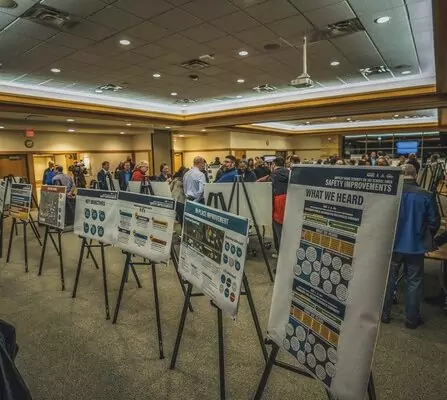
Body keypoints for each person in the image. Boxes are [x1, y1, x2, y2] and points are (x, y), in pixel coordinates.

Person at [382, 164, 439, 329]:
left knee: (388, 280)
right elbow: (434, 222)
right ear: (416, 176)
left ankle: (384, 315)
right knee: (414, 281)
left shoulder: (391, 194)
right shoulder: (426, 195)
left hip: (392, 245)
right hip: (415, 246)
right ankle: (411, 319)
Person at [271, 157, 290, 259]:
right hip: (289, 204)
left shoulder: (273, 175)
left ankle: (281, 255)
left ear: (273, 164)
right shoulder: (290, 172)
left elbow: (270, 190)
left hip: (277, 206)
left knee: (278, 231)